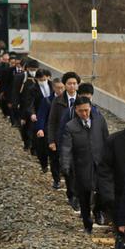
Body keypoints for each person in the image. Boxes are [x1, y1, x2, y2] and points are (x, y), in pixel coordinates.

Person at [60, 96, 109, 234]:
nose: (84, 113)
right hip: (82, 165)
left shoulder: (99, 120)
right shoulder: (71, 126)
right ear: (76, 110)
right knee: (84, 195)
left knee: (103, 191)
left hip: (100, 163)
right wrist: (65, 166)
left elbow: (107, 139)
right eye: (81, 111)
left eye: (86, 110)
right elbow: (66, 148)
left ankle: (98, 211)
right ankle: (87, 223)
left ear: (90, 108)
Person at [47, 72, 80, 205]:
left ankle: (76, 195)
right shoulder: (58, 100)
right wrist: (51, 140)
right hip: (63, 140)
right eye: (69, 83)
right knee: (67, 168)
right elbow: (52, 122)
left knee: (78, 168)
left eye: (74, 83)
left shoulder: (82, 101)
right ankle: (71, 194)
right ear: (65, 85)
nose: (72, 86)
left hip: (79, 140)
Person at [31, 71, 57, 175]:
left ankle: (56, 169)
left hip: (54, 120)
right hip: (41, 118)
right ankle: (44, 163)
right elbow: (30, 102)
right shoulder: (33, 88)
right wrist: (32, 113)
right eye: (41, 80)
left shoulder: (53, 86)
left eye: (44, 79)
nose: (43, 81)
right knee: (42, 145)